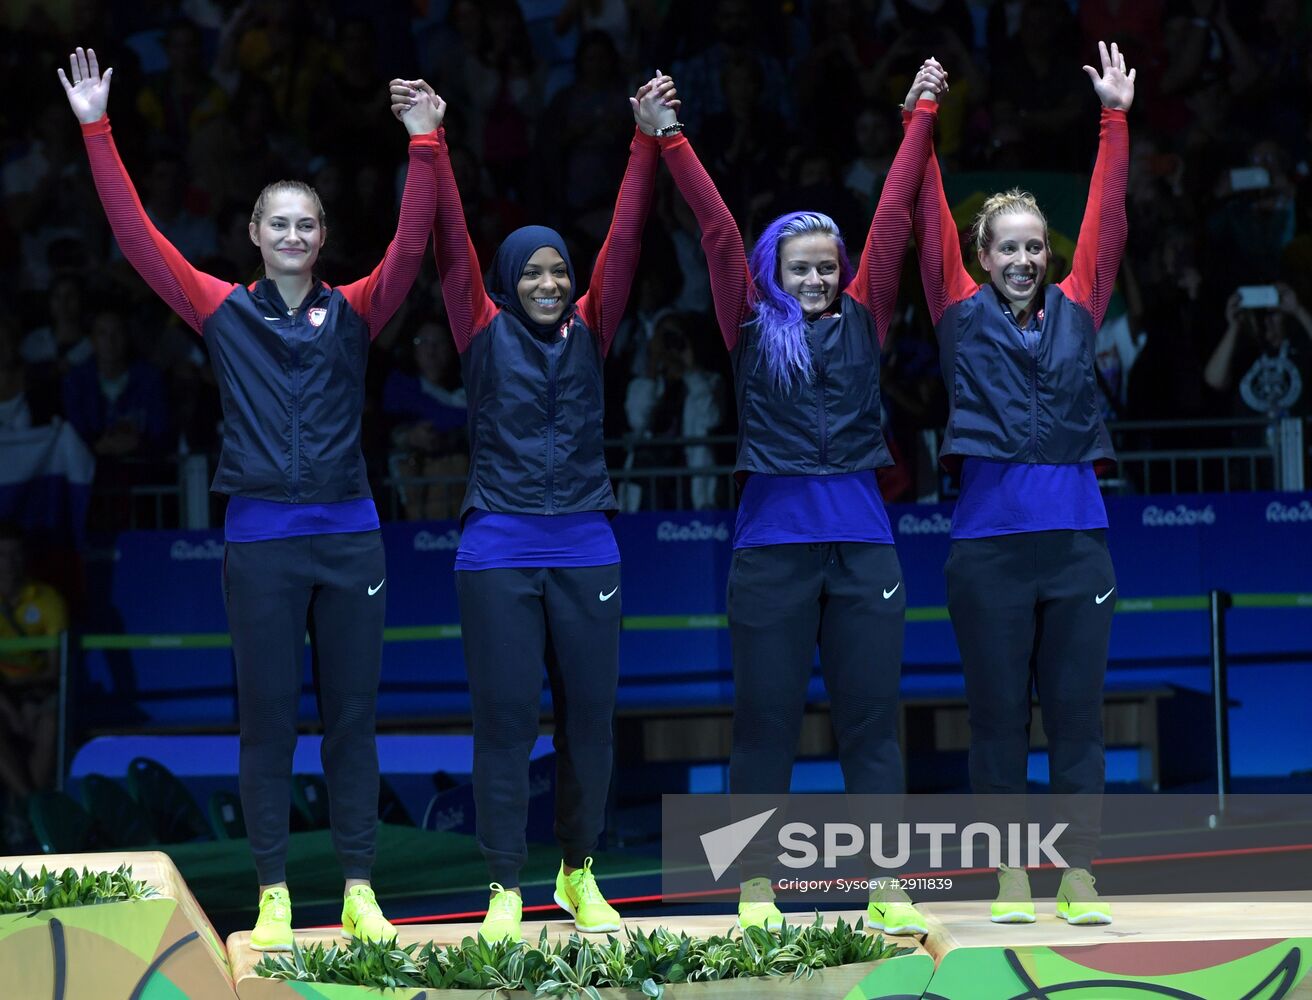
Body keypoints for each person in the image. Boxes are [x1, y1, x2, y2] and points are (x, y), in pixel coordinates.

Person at [59, 45, 441, 951]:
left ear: (320, 237)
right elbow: (137, 240)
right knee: (266, 726)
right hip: (261, 544)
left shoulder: (356, 310)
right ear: (256, 237)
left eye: (308, 224)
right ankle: (273, 892)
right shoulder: (219, 309)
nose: (296, 237)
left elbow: (413, 245)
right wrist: (95, 128)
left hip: (350, 539)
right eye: (281, 224)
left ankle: (357, 889)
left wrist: (425, 146)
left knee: (352, 723)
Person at [389, 72, 679, 943]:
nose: (551, 283)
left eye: (560, 270)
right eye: (535, 272)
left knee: (590, 722)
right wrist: (429, 140)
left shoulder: (594, 326)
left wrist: (643, 140)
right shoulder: (479, 327)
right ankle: (505, 883)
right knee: (507, 723)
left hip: (587, 544)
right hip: (496, 551)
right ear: (512, 280)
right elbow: (448, 245)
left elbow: (625, 238)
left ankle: (578, 871)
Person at [656, 63, 945, 934]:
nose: (818, 280)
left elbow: (894, 219)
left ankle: (886, 885)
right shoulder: (747, 324)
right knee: (766, 722)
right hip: (771, 551)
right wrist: (669, 135)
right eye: (801, 268)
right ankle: (752, 886)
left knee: (870, 723)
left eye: (828, 268)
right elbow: (712, 227)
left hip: (863, 548)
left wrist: (921, 116)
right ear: (772, 271)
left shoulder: (866, 315)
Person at [912, 42, 1134, 926]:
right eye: (1007, 247)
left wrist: (1114, 118)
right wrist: (922, 119)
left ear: (1050, 253)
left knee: (1077, 718)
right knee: (999, 719)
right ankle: (1010, 874)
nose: (1023, 258)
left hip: (1077, 544)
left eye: (1035, 246)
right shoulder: (956, 314)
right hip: (986, 551)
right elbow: (922, 219)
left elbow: (1110, 217)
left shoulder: (1081, 306)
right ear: (982, 252)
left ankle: (1077, 874)